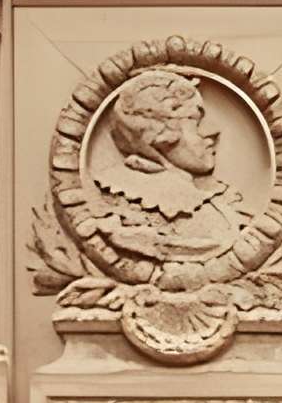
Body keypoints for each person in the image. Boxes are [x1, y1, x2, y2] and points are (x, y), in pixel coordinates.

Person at [89, 68, 253, 266]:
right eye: (194, 121)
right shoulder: (132, 200)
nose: (213, 132)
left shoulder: (212, 199)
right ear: (159, 135)